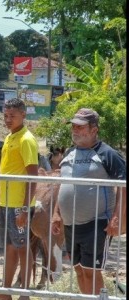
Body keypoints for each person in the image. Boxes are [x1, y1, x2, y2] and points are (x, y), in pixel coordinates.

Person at [51, 108, 126, 295]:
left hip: (97, 223)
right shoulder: (69, 152)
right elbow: (63, 184)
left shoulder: (107, 154)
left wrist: (117, 216)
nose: (75, 130)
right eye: (74, 126)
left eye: (80, 127)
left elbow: (124, 186)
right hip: (70, 224)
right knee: (78, 270)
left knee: (91, 271)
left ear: (94, 130)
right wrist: (56, 213)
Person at [0, 98, 39, 300]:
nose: (8, 120)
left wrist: (25, 208)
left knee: (22, 247)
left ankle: (24, 293)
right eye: (6, 116)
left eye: (12, 116)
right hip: (6, 204)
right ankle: (5, 291)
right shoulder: (10, 137)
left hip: (20, 206)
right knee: (9, 248)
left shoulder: (27, 139)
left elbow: (32, 175)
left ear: (23, 115)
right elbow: (6, 172)